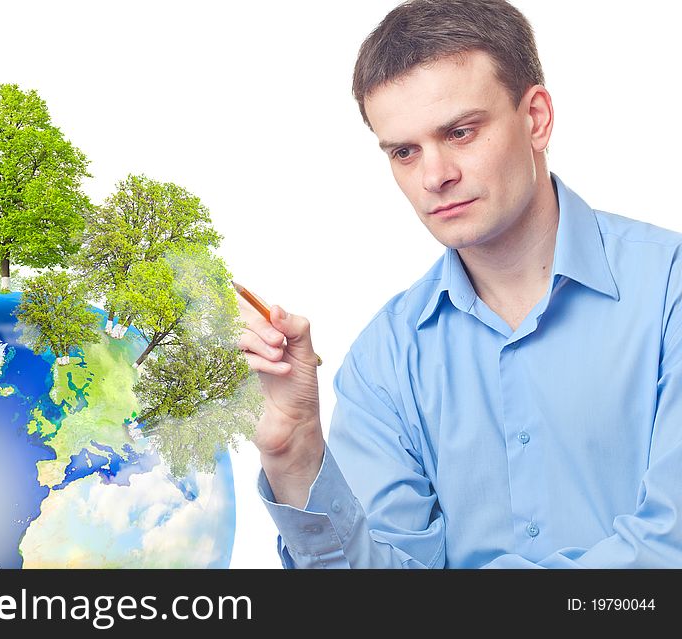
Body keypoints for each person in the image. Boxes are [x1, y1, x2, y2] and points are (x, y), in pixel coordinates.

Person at [235, 0, 682, 568]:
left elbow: (669, 551)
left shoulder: (670, 289)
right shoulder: (383, 362)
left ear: (536, 118)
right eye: (404, 151)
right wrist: (296, 456)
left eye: (461, 132)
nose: (435, 175)